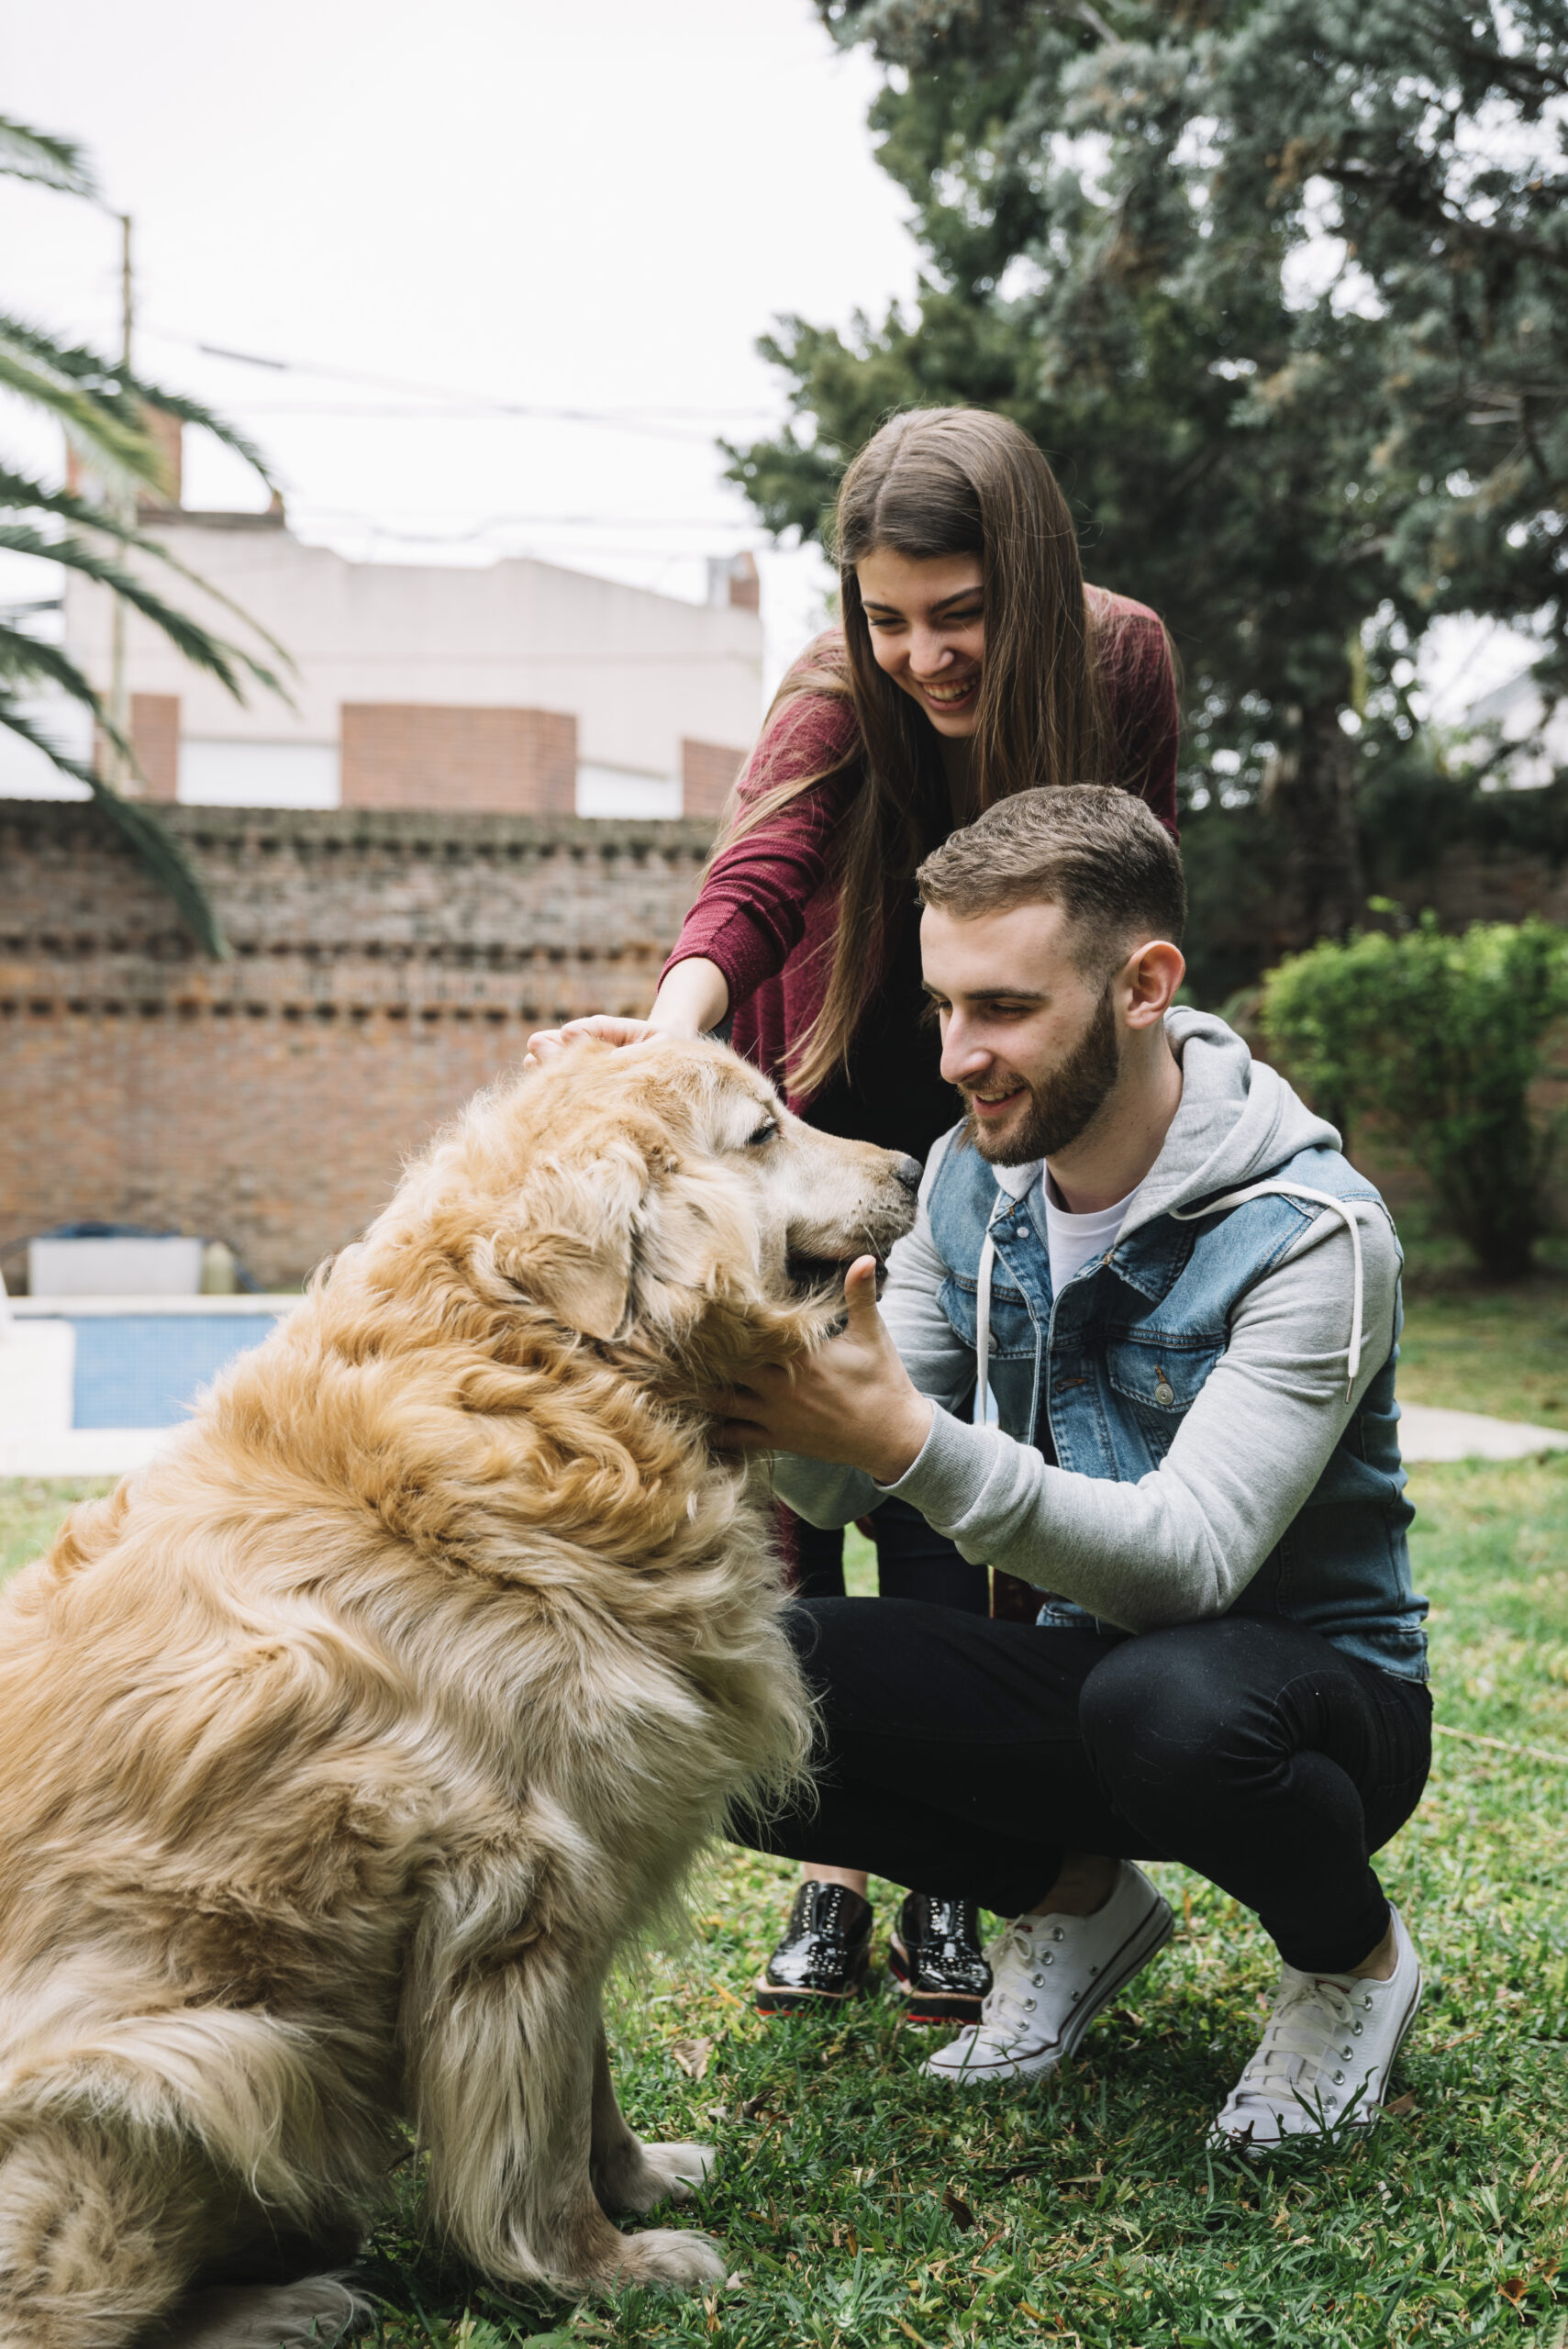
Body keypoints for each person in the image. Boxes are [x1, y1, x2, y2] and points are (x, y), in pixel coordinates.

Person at [528, 406, 1181, 2024]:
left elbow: (1141, 892)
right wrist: (674, 1043)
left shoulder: (1121, 665)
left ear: (1026, 582)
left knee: (939, 1459)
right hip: (818, 1088)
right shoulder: (837, 683)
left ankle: (958, 1877)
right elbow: (755, 876)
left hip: (1003, 1084)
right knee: (788, 1459)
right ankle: (832, 1875)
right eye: (888, 616)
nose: (923, 655)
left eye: (957, 614)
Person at [708, 784, 1429, 2149]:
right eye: (942, 1009)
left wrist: (902, 1439)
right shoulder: (969, 1185)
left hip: (1318, 1705)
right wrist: (779, 1407)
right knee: (722, 1682)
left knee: (1172, 1702)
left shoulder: (1312, 1234)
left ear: (1142, 984)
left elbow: (1187, 1565)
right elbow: (838, 1479)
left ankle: (1352, 1966)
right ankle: (1073, 1903)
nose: (955, 1055)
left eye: (1003, 1009)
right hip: (1088, 1676)